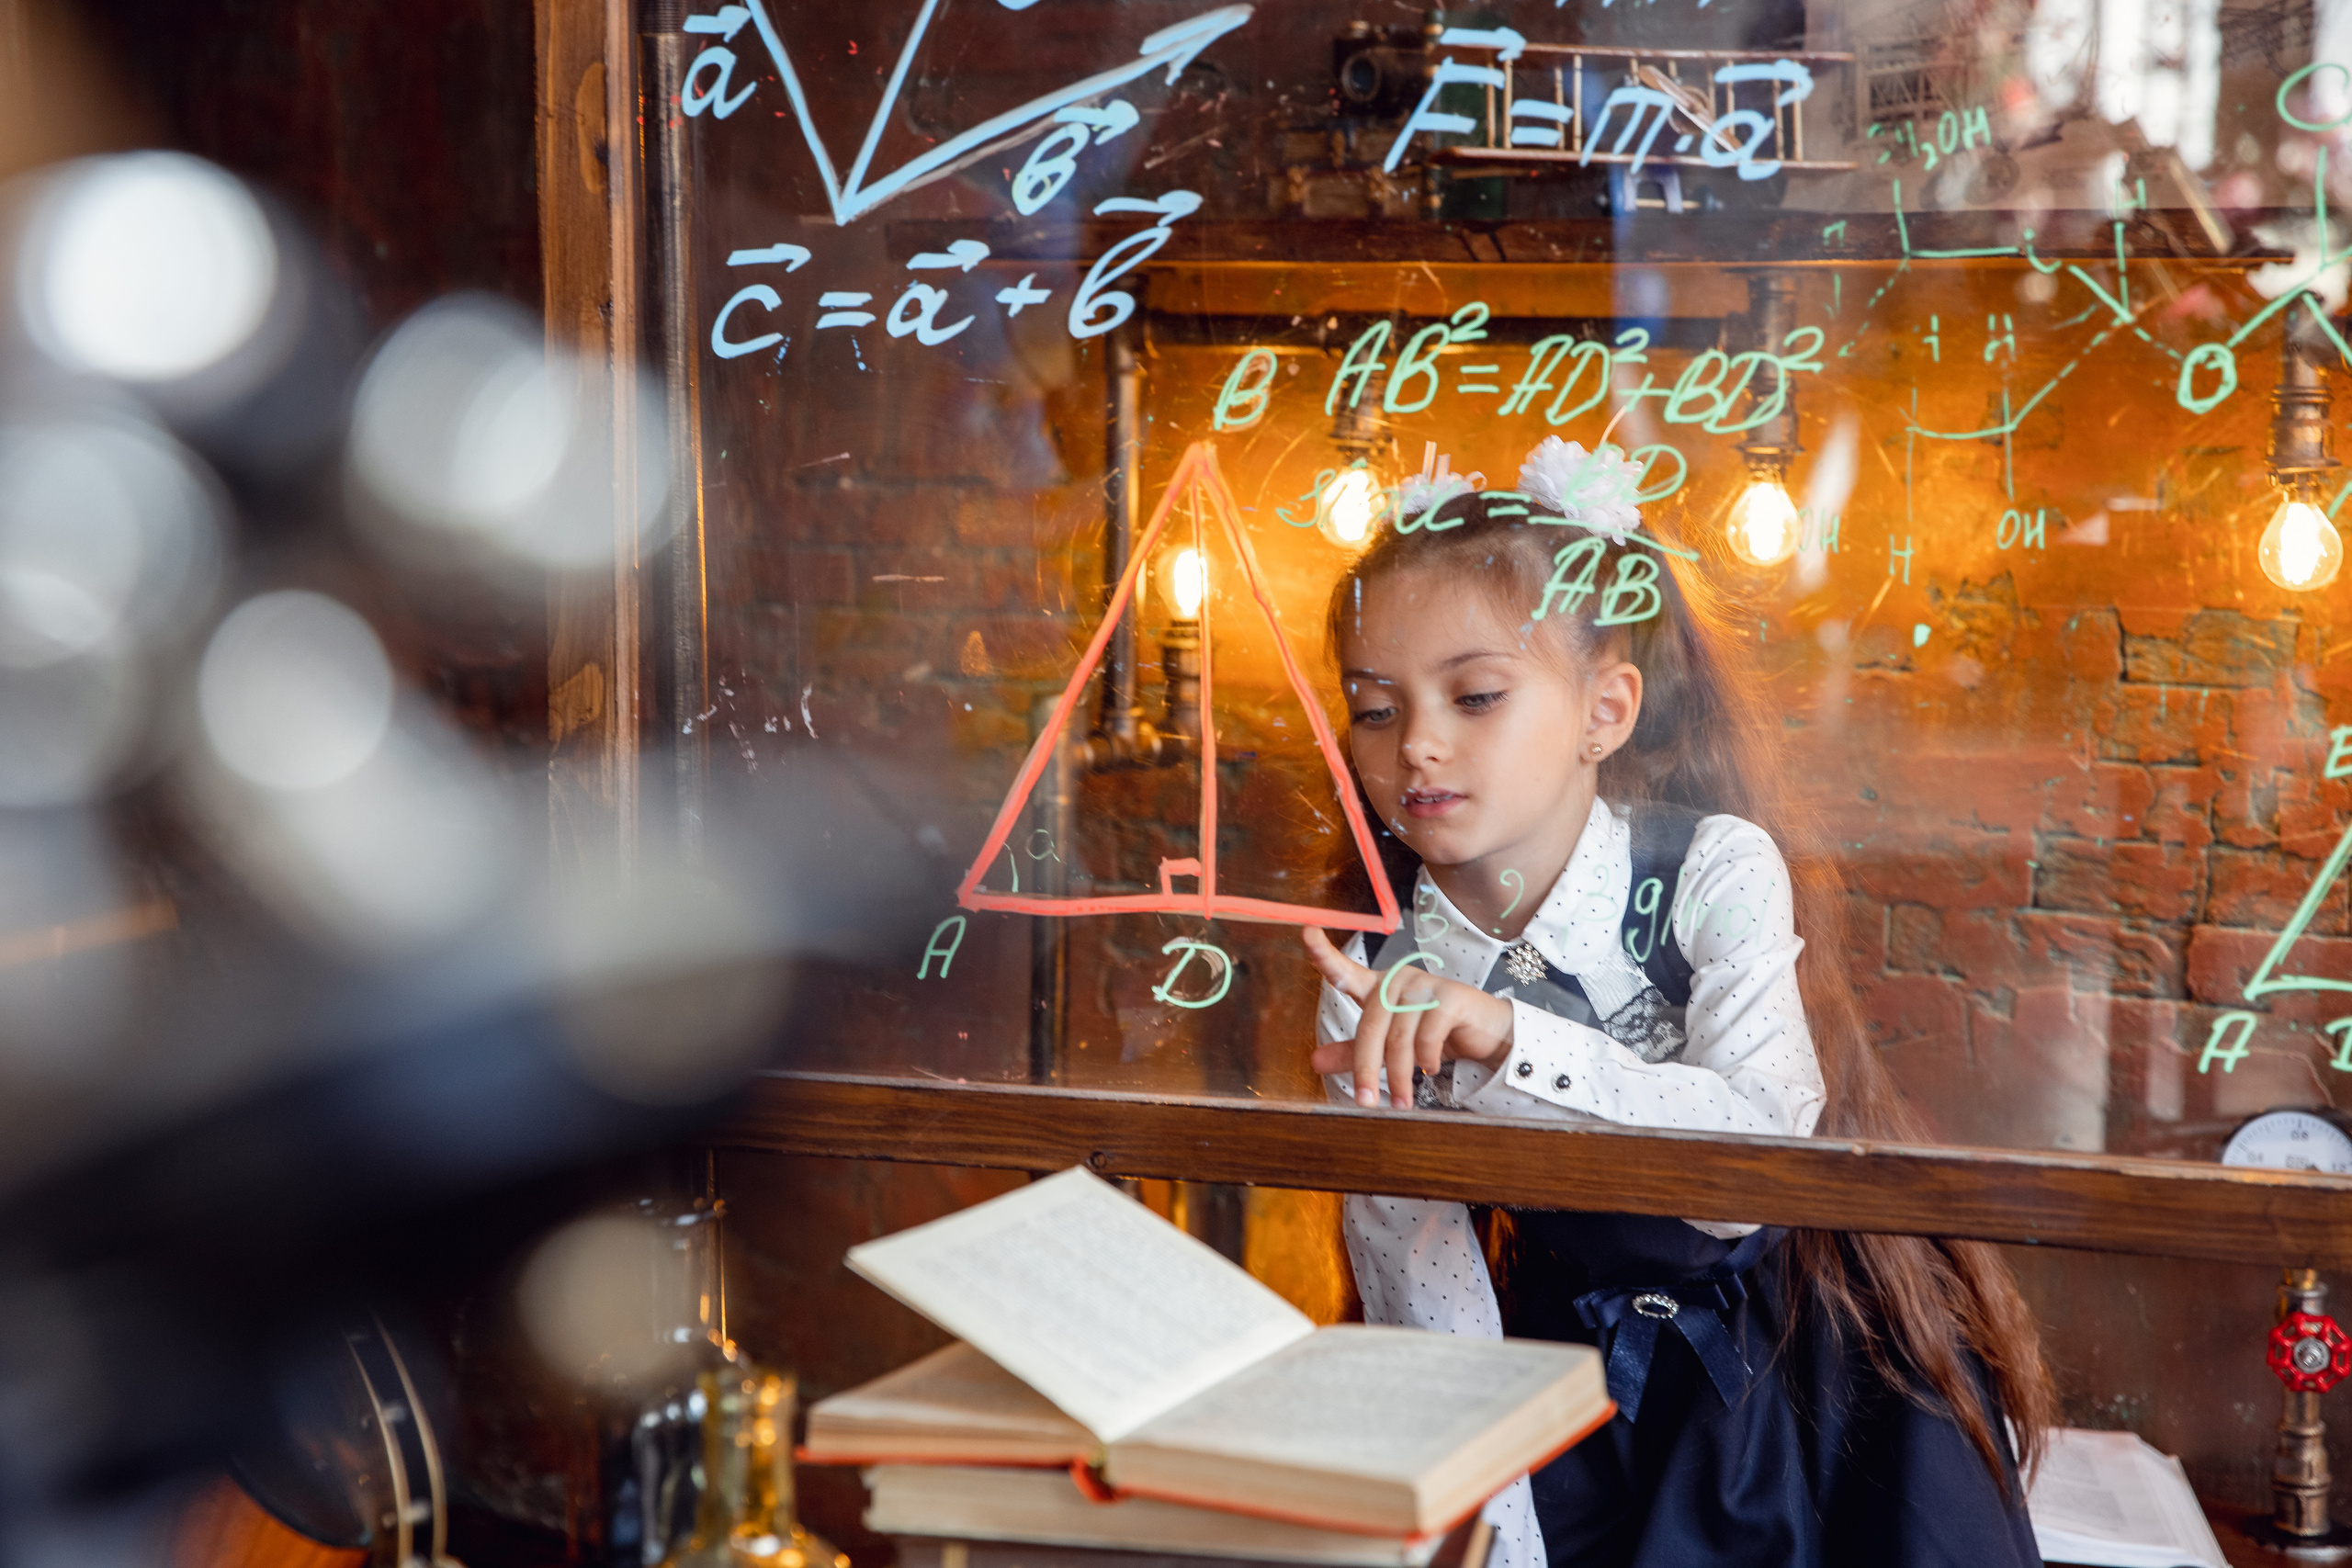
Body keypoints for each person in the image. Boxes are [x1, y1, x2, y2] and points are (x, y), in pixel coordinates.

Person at [1301, 437, 2054, 1568]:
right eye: (1372, 707)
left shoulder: (1714, 866)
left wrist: (1512, 1039)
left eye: (1477, 695)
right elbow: (1418, 1263)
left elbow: (1747, 1166)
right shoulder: (1375, 951)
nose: (1416, 742)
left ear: (1605, 711)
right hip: (1543, 1375)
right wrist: (1493, 1524)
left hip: (1799, 1364)